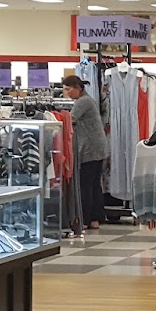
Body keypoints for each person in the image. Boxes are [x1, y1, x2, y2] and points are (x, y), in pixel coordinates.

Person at [64, 76, 107, 235]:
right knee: (94, 185)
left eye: (68, 89)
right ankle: (95, 219)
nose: (66, 93)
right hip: (98, 149)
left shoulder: (83, 102)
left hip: (89, 149)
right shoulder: (88, 100)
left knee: (85, 185)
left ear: (77, 88)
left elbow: (70, 120)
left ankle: (85, 220)